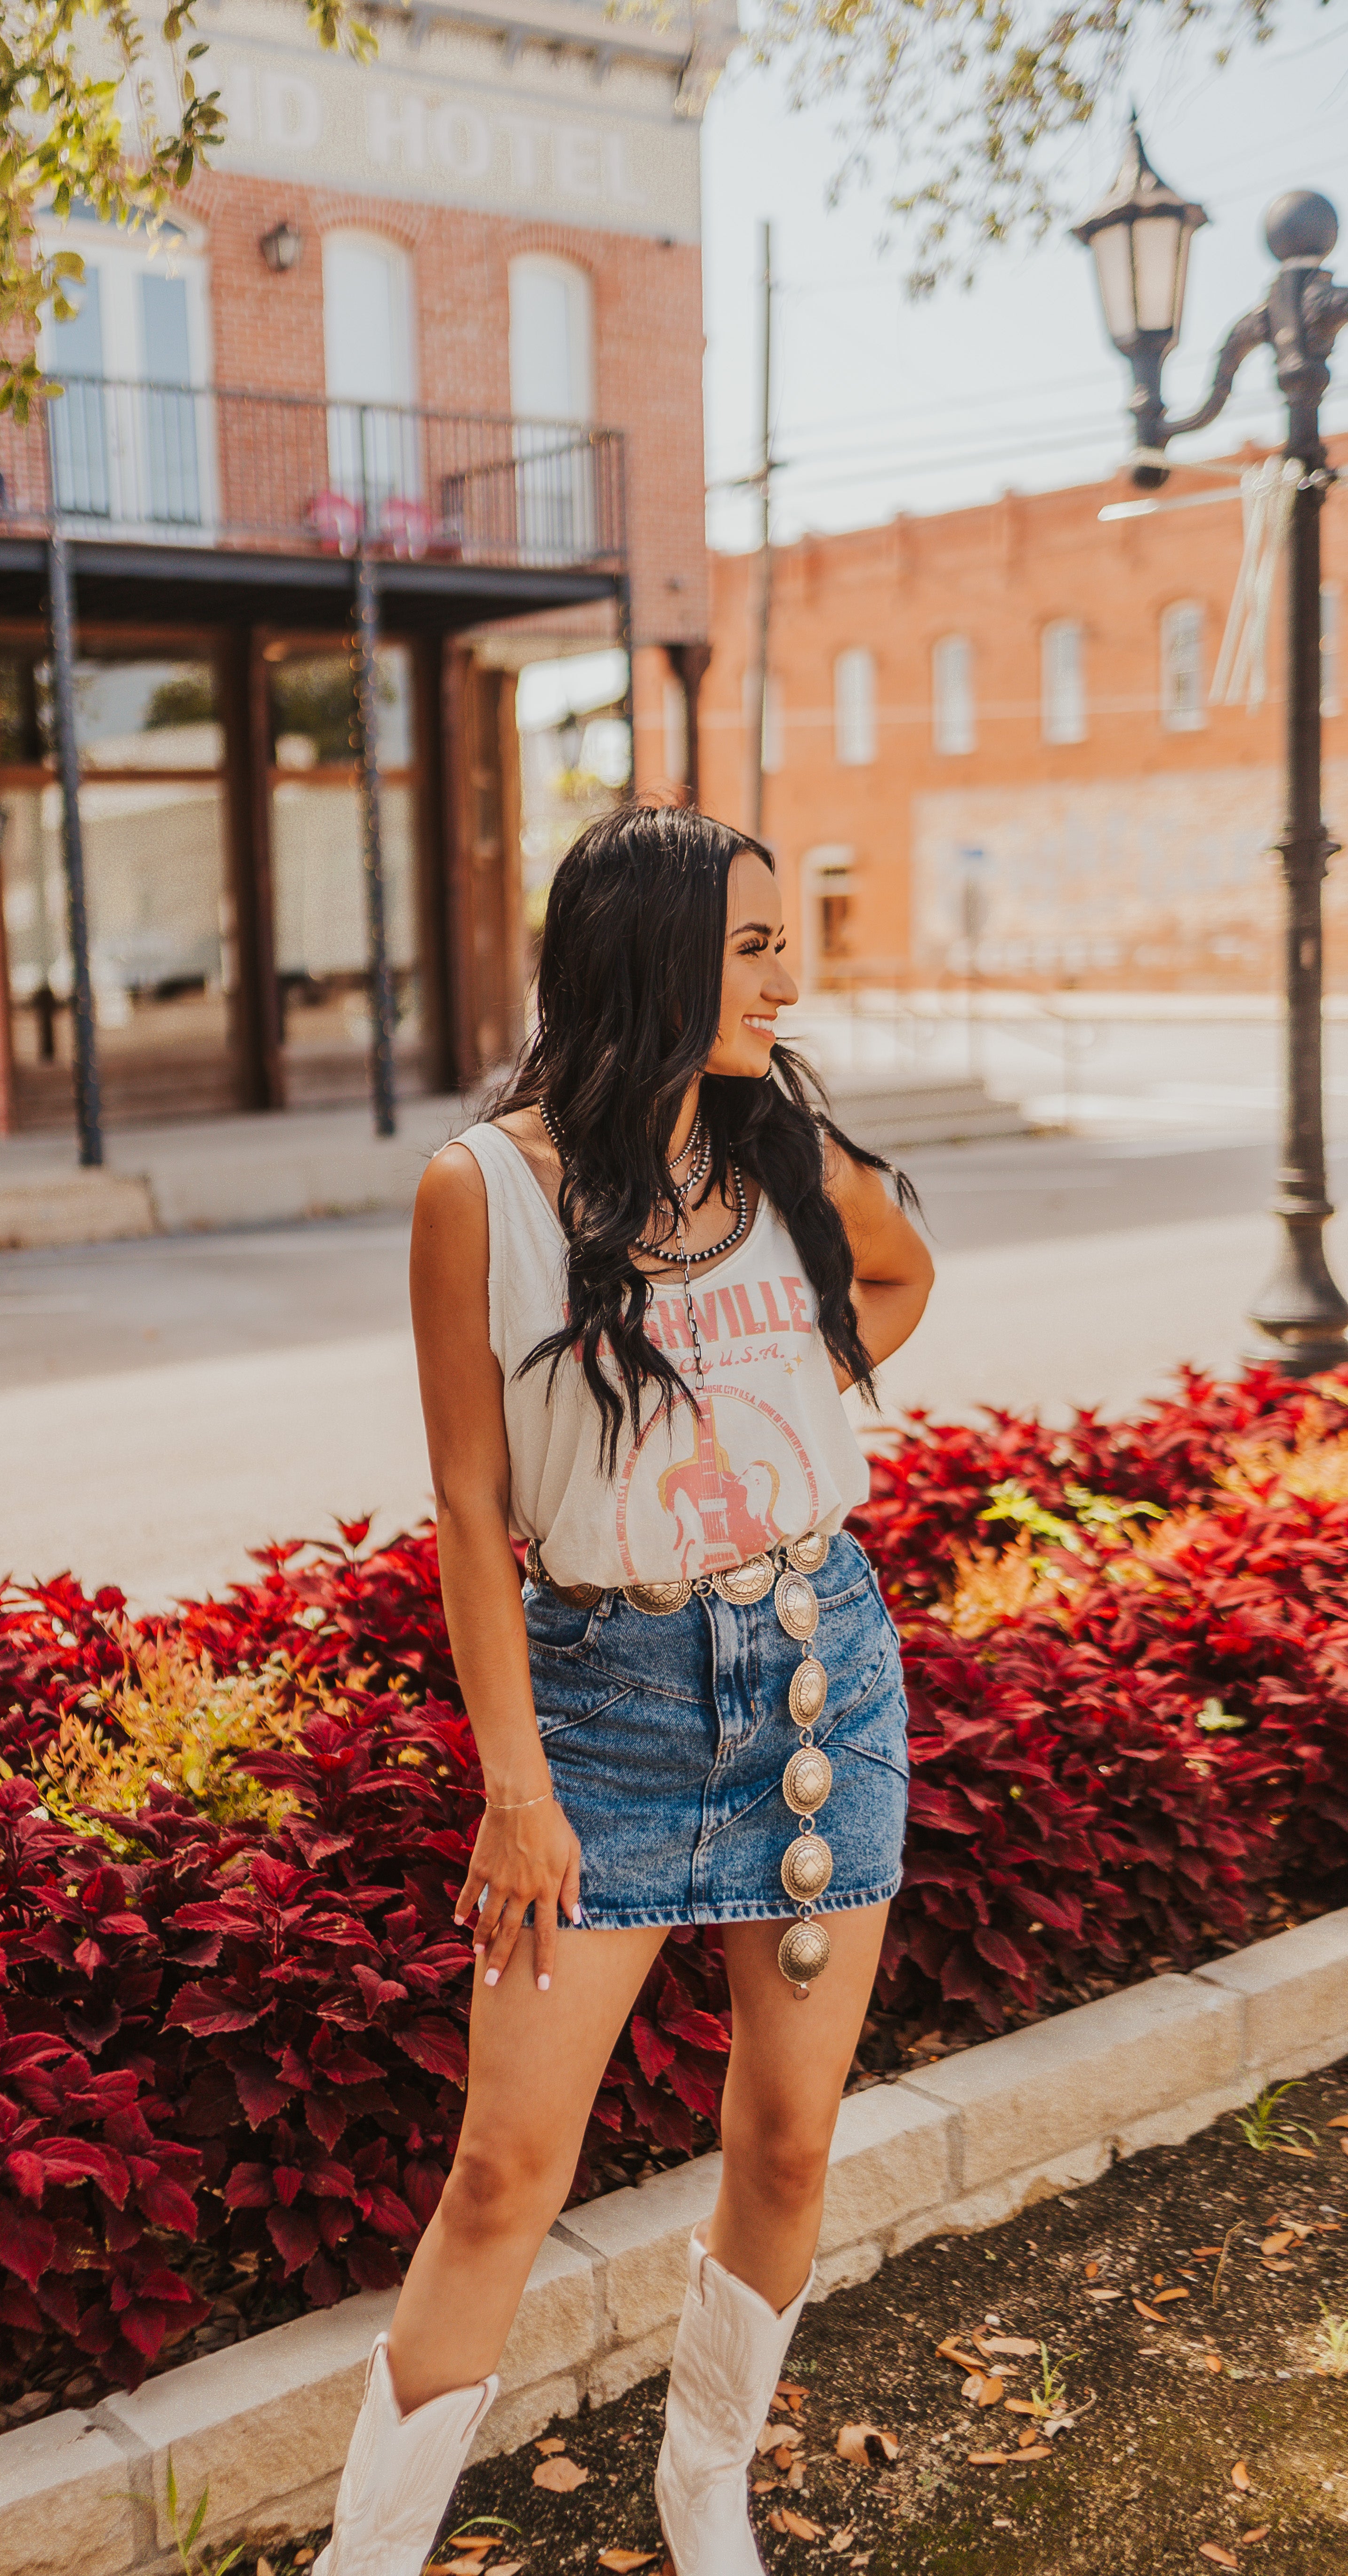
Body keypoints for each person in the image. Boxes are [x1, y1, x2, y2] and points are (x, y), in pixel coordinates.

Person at [315, 804, 934, 2576]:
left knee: (793, 2138)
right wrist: (518, 1781)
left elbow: (900, 1272)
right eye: (751, 948)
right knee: (506, 2171)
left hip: (822, 1673)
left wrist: (778, 1395)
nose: (785, 978)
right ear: (653, 956)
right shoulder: (481, 1192)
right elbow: (467, 1505)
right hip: (606, 1715)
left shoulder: (780, 1148)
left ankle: (704, 2490)